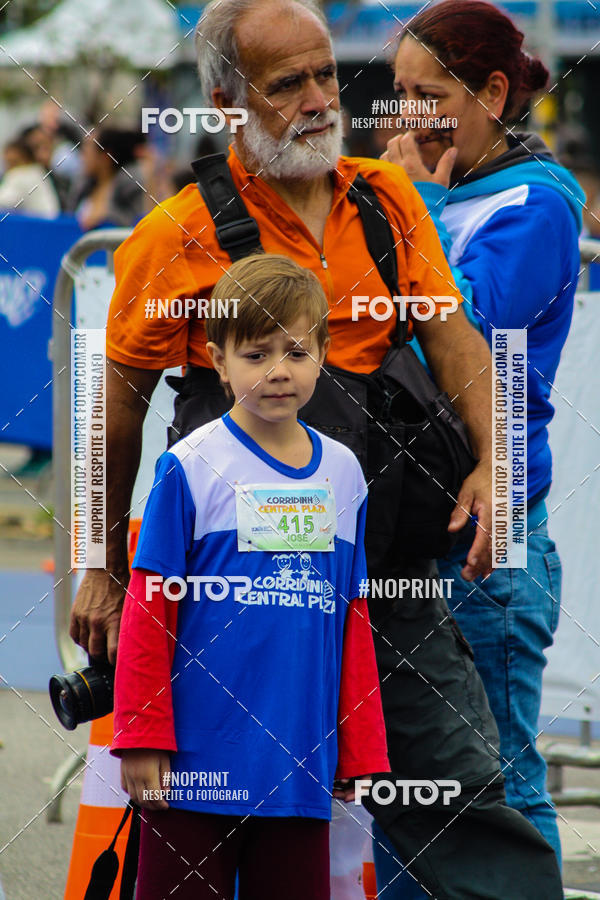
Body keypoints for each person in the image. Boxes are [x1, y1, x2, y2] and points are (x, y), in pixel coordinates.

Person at [70, 0, 564, 896]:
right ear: (226, 102)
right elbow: (112, 417)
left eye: (326, 74)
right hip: (230, 608)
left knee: (462, 794)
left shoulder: (386, 200)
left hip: (379, 582)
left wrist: (499, 463)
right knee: (207, 830)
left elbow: (457, 343)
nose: (318, 99)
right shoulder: (171, 235)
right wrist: (99, 566)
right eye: (286, 83)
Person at [378, 0, 584, 892]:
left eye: (428, 95)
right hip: (409, 517)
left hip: (489, 538)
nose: (406, 117)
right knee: (401, 776)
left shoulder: (539, 205)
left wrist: (414, 204)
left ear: (492, 93)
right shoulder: (432, 186)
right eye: (396, 94)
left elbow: (468, 324)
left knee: (496, 775)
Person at [110, 253, 390, 899]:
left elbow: (352, 617)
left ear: (324, 351)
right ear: (217, 358)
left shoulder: (344, 473)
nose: (278, 372)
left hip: (296, 767)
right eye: (256, 354)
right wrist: (141, 734)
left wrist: (360, 745)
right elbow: (150, 607)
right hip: (192, 770)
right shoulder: (190, 464)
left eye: (295, 352)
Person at [0, 134, 60, 217]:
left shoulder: (21, 174)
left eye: (12, 162)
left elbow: (4, 203)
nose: (7, 167)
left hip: (36, 226)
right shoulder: (38, 172)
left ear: (24, 158)